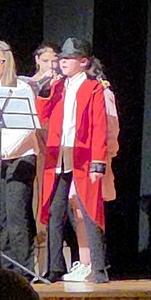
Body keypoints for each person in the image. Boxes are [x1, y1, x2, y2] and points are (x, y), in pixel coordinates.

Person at [35, 37, 118, 284]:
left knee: (89, 210)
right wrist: (45, 89)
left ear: (83, 62)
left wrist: (98, 162)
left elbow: (99, 126)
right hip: (59, 155)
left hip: (83, 156)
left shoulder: (93, 88)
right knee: (54, 210)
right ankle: (54, 268)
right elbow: (42, 116)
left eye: (69, 59)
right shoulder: (58, 87)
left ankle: (99, 269)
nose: (63, 63)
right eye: (62, 58)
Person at [0, 41, 43, 275]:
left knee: (16, 213)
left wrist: (2, 152)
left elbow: (27, 127)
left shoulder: (21, 88)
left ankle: (24, 271)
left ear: (7, 63)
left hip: (19, 158)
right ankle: (3, 269)